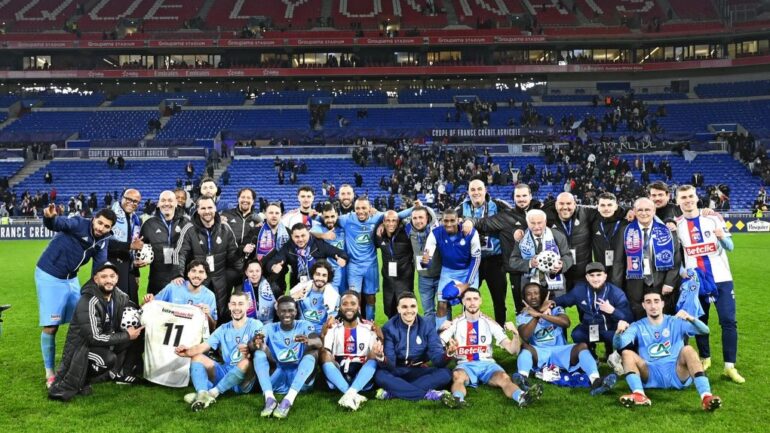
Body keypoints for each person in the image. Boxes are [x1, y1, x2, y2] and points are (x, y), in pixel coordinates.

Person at [36, 204, 116, 387]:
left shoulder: (103, 240)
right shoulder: (79, 223)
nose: (100, 228)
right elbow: (57, 224)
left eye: (106, 226)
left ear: (110, 229)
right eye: (99, 223)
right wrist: (50, 218)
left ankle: (75, 365)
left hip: (70, 279)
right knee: (51, 325)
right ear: (94, 218)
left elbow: (99, 267)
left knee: (83, 321)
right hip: (49, 275)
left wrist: (104, 288)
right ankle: (50, 372)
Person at [675, 184, 743, 383]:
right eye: (683, 197)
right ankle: (705, 358)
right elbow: (677, 259)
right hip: (696, 281)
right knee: (700, 322)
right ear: (677, 201)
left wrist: (721, 237)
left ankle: (730, 366)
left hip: (722, 278)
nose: (687, 200)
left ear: (696, 198)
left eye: (690, 196)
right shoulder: (677, 225)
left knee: (728, 321)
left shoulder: (712, 217)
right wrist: (682, 272)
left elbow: (730, 247)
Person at [47, 262, 143, 401]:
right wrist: (126, 335)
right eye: (104, 277)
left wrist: (144, 305)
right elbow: (94, 337)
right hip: (80, 350)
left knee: (138, 334)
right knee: (107, 358)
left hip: (100, 344)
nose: (109, 280)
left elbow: (130, 307)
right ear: (96, 279)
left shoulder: (118, 296)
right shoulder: (88, 300)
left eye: (112, 276)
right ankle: (76, 382)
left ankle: (121, 373)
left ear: (117, 278)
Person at [613, 292, 722, 411]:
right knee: (626, 353)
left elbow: (705, 331)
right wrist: (618, 332)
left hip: (677, 372)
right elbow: (618, 345)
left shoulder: (676, 321)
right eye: (648, 302)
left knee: (688, 349)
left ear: (662, 304)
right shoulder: (637, 326)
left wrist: (691, 318)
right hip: (650, 374)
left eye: (656, 301)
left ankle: (706, 397)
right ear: (644, 305)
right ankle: (639, 394)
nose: (653, 306)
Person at [440, 288, 542, 408]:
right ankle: (457, 400)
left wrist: (515, 334)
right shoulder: (455, 322)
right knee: (458, 377)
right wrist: (446, 342)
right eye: (468, 299)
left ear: (480, 301)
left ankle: (522, 397)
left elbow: (512, 350)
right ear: (463, 302)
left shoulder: (489, 323)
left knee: (504, 378)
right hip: (465, 364)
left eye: (475, 299)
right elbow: (438, 343)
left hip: (487, 364)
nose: (472, 302)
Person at [514, 282, 617, 396]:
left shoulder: (556, 309)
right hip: (539, 353)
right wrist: (536, 315)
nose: (533, 296)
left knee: (581, 346)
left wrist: (541, 314)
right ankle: (522, 378)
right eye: (529, 294)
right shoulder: (522, 316)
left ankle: (596, 381)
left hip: (561, 351)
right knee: (525, 347)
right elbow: (525, 335)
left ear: (541, 295)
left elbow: (566, 323)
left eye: (536, 293)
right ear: (524, 298)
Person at [324, 197, 415, 320]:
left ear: (369, 208)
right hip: (354, 266)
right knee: (355, 297)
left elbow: (395, 215)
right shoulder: (347, 219)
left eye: (364, 208)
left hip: (371, 265)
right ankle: (356, 322)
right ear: (354, 209)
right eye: (357, 208)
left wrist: (415, 208)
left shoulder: (376, 218)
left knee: (371, 297)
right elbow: (327, 219)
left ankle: (370, 322)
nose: (360, 211)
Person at [175, 291, 264, 411]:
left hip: (245, 380)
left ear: (248, 305)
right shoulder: (223, 328)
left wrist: (250, 348)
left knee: (246, 362)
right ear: (229, 306)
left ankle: (212, 393)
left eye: (240, 304)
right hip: (226, 373)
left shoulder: (256, 325)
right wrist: (187, 352)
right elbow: (202, 347)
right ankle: (202, 394)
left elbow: (259, 345)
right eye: (234, 304)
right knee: (197, 357)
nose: (236, 308)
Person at [463, 183, 541, 316]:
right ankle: (518, 335)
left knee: (542, 305)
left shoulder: (542, 212)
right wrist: (470, 221)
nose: (521, 199)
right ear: (514, 198)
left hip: (540, 268)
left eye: (524, 195)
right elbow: (483, 223)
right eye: (518, 196)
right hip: (516, 269)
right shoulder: (506, 216)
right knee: (520, 307)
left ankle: (546, 335)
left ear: (530, 196)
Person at [174, 195, 243, 325]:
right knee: (197, 313)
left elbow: (233, 254)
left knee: (221, 312)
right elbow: (180, 253)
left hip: (220, 278)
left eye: (210, 207)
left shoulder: (225, 228)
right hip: (198, 279)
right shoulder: (189, 229)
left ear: (215, 208)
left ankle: (218, 343)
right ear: (198, 210)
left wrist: (243, 275)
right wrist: (178, 273)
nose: (207, 211)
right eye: (203, 208)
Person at [554, 262, 632, 374]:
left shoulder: (616, 293)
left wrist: (612, 311)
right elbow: (562, 300)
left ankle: (617, 357)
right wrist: (550, 305)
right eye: (592, 275)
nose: (595, 279)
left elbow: (628, 317)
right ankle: (592, 356)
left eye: (599, 275)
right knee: (577, 334)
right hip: (589, 329)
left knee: (627, 338)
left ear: (605, 276)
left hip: (610, 330)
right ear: (587, 277)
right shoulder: (579, 290)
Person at [250, 296, 321, 419]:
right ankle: (269, 398)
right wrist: (256, 343)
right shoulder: (268, 328)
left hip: (299, 377)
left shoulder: (305, 325)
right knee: (258, 353)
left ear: (296, 311)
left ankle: (288, 400)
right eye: (283, 311)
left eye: (290, 310)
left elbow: (319, 343)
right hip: (277, 376)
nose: (287, 314)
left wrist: (308, 340)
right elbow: (252, 343)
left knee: (313, 351)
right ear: (277, 312)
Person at [374, 292, 452, 401]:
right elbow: (390, 365)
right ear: (398, 309)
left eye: (412, 306)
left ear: (417, 307)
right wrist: (381, 357)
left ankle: (394, 392)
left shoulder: (427, 325)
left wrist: (448, 354)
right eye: (404, 307)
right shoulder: (389, 328)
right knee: (380, 375)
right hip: (397, 371)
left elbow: (437, 360)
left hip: (419, 370)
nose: (409, 310)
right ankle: (427, 395)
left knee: (446, 373)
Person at [615, 197, 681, 320]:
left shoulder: (668, 230)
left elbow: (676, 259)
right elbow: (618, 262)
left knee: (663, 322)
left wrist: (669, 282)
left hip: (661, 284)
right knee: (637, 322)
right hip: (634, 285)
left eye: (647, 210)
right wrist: (617, 288)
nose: (644, 213)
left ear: (654, 211)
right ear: (634, 211)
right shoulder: (625, 231)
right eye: (640, 210)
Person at [456, 179, 511, 326]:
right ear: (468, 192)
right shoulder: (461, 209)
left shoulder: (498, 205)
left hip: (495, 260)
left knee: (499, 299)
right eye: (472, 190)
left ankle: (500, 330)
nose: (476, 192)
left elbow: (513, 219)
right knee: (468, 297)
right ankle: (466, 330)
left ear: (485, 190)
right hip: (473, 261)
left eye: (479, 189)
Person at [320, 291, 383, 411]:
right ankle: (351, 393)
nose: (349, 307)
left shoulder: (369, 328)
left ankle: (350, 393)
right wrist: (323, 334)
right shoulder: (333, 328)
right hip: (339, 374)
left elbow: (376, 353)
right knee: (324, 354)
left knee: (374, 352)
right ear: (340, 307)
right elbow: (326, 352)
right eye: (345, 304)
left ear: (358, 307)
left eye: (353, 303)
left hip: (360, 373)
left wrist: (380, 337)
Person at [422, 208, 480, 330]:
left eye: (452, 220)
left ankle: (469, 335)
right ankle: (442, 337)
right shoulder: (436, 232)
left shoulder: (470, 233)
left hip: (468, 271)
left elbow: (476, 259)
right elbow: (428, 250)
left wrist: (467, 284)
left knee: (470, 304)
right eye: (445, 221)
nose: (448, 224)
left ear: (458, 220)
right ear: (441, 220)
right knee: (442, 302)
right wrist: (426, 260)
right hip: (448, 271)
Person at [509, 209, 573, 297]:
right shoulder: (522, 238)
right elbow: (513, 261)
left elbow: (568, 256)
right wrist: (529, 263)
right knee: (532, 311)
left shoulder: (558, 235)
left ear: (545, 222)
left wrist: (562, 264)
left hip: (555, 286)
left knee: (557, 310)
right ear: (527, 223)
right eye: (533, 223)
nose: (536, 226)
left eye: (539, 223)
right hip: (530, 285)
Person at [140, 190, 191, 295]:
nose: (166, 203)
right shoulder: (149, 225)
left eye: (170, 200)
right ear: (158, 204)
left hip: (181, 278)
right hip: (156, 279)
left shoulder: (186, 223)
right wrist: (136, 269)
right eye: (163, 200)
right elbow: (139, 249)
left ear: (176, 203)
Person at [545, 192, 599, 289]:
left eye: (569, 203)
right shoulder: (547, 216)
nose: (565, 207)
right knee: (556, 303)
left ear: (575, 204)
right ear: (556, 205)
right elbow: (529, 215)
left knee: (585, 303)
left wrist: (627, 211)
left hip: (582, 275)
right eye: (561, 203)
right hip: (559, 274)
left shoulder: (585, 213)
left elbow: (607, 209)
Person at [268, 223, 348, 289]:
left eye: (303, 236)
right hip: (297, 283)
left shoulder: (318, 244)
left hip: (318, 282)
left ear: (309, 234)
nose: (300, 239)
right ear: (292, 236)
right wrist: (273, 266)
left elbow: (339, 252)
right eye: (297, 237)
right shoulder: (288, 247)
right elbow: (274, 260)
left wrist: (342, 258)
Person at [144, 260, 218, 331]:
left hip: (193, 340)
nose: (197, 275)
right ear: (188, 274)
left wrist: (207, 314)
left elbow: (213, 327)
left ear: (206, 276)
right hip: (167, 334)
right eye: (193, 271)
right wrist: (148, 300)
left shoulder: (210, 296)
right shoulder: (173, 287)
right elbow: (149, 306)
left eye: (201, 272)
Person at [375, 210, 414, 318]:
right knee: (389, 310)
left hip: (404, 280)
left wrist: (399, 216)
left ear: (398, 222)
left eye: (394, 221)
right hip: (388, 281)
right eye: (388, 220)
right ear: (383, 221)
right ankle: (392, 333)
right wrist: (380, 223)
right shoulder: (379, 235)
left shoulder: (406, 232)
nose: (391, 223)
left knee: (405, 311)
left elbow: (425, 220)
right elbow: (375, 223)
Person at [406, 205, 441, 323]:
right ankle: (431, 337)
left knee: (444, 308)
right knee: (428, 311)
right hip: (423, 278)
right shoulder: (408, 230)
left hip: (440, 276)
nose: (418, 221)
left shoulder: (435, 230)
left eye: (421, 217)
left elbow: (435, 218)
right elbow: (395, 217)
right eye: (415, 218)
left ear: (427, 218)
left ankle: (445, 337)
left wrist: (423, 205)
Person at [108, 188, 144, 303]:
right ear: (121, 198)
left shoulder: (136, 219)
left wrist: (136, 271)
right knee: (116, 308)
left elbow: (134, 247)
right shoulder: (109, 215)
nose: (132, 203)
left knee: (132, 307)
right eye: (129, 199)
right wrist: (130, 246)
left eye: (135, 201)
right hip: (111, 267)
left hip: (129, 269)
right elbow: (104, 243)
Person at [289, 261, 340, 334]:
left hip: (321, 334)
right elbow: (280, 305)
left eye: (324, 275)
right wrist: (293, 297)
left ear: (328, 278)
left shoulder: (334, 296)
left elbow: (332, 319)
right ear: (313, 275)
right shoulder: (300, 288)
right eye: (318, 274)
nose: (320, 278)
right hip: (301, 332)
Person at [590, 193, 626, 288]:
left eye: (610, 205)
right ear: (597, 207)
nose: (606, 208)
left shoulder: (625, 222)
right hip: (601, 270)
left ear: (616, 206)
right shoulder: (593, 221)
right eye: (602, 205)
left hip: (622, 270)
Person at [251, 203, 290, 291]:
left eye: (277, 213)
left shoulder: (288, 233)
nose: (274, 216)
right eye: (271, 213)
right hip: (259, 273)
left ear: (281, 215)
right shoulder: (257, 231)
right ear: (265, 214)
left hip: (279, 275)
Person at [311, 204, 347, 292]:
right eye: (326, 217)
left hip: (345, 271)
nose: (330, 220)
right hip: (327, 273)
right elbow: (309, 234)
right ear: (322, 217)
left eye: (332, 216)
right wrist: (323, 235)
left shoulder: (343, 228)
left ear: (337, 215)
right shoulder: (319, 228)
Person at [237, 259, 282, 324]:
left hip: (270, 324)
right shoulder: (240, 289)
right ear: (246, 272)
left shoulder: (272, 286)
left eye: (257, 271)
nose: (254, 274)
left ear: (261, 272)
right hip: (248, 325)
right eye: (251, 271)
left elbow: (282, 301)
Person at [222, 188, 262, 257]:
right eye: (243, 197)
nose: (245, 200)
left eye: (248, 198)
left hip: (249, 258)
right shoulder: (227, 215)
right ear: (238, 199)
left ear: (253, 201)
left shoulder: (258, 220)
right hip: (229, 257)